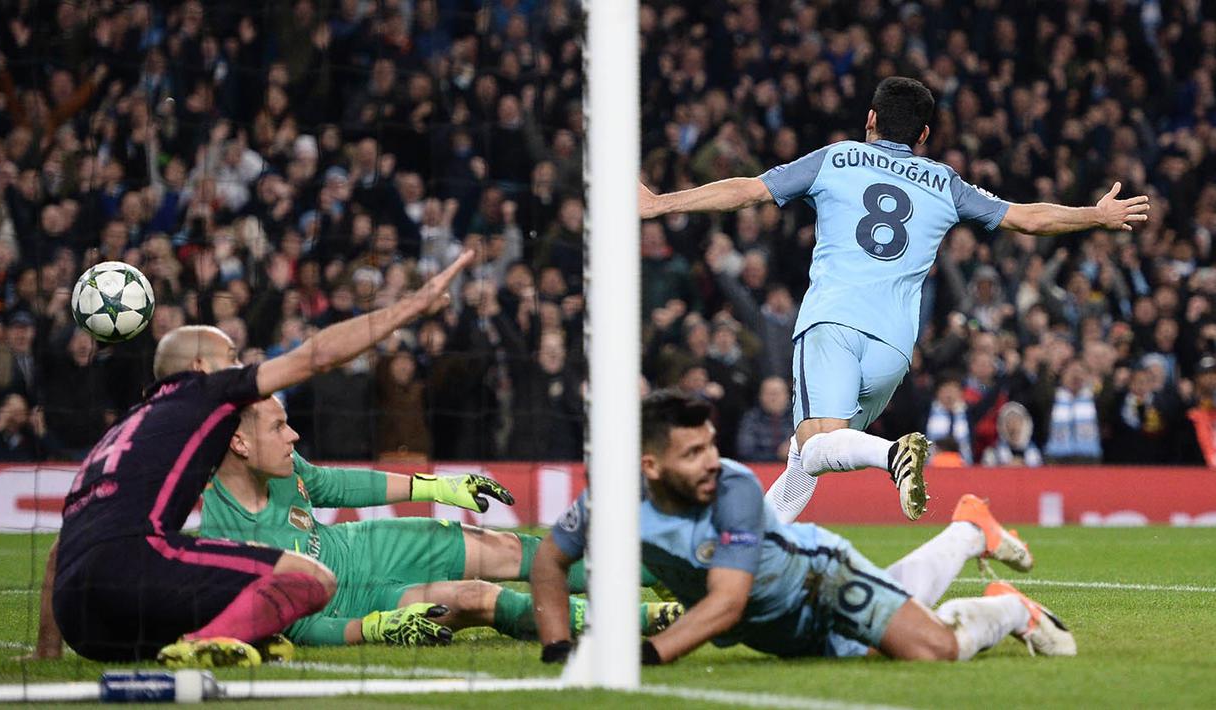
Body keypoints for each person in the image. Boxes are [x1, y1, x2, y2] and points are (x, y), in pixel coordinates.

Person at [639, 76, 1150, 523]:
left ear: (871, 119)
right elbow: (1027, 217)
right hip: (894, 349)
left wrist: (663, 203)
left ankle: (893, 455)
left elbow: (749, 190)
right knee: (805, 455)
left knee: (818, 445)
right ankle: (747, 556)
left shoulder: (836, 157)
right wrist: (1095, 215)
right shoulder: (945, 181)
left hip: (832, 323)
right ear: (923, 136)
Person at [45, 251, 475, 667]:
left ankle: (216, 636)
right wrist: (412, 306)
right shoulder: (205, 391)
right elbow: (317, 355)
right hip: (130, 572)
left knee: (247, 604)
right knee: (310, 578)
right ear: (199, 366)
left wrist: (47, 648)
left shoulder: (126, 427)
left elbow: (58, 548)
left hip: (84, 620)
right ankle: (205, 644)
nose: (240, 366)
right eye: (231, 358)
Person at [532, 390, 1074, 666]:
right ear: (650, 466)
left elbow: (728, 603)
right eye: (693, 453)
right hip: (779, 630)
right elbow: (549, 561)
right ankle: (969, 531)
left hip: (822, 584)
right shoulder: (607, 501)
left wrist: (649, 655)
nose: (711, 461)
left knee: (933, 648)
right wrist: (556, 644)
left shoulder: (734, 488)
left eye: (711, 445)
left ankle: (1011, 608)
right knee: (894, 620)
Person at [196, 396, 681, 646]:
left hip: (366, 546)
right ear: (239, 445)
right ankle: (651, 619)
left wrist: (436, 487)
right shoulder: (228, 543)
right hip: (359, 603)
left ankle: (664, 570)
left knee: (508, 549)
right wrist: (372, 629)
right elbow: (293, 629)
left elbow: (331, 486)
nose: (293, 435)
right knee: (477, 599)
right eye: (279, 427)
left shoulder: (281, 465)